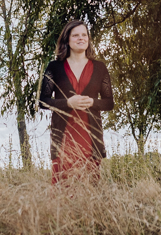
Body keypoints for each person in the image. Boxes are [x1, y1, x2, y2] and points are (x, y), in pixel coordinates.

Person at [39, 19, 114, 183]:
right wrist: (67, 103)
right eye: (76, 35)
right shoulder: (54, 67)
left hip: (90, 136)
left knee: (90, 187)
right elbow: (43, 101)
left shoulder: (100, 67)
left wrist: (93, 102)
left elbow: (109, 103)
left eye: (84, 35)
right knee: (62, 186)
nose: (81, 38)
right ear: (67, 40)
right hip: (64, 136)